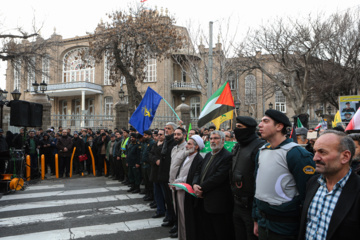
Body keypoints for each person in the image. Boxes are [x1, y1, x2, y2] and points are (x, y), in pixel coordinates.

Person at [252, 109, 316, 240]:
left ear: (279, 126)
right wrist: (256, 218)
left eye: (265, 121)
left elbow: (307, 195)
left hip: (285, 228)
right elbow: (257, 187)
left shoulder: (296, 154)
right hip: (264, 224)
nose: (260, 125)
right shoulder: (262, 151)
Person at [298, 130, 360, 240]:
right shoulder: (313, 183)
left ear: (345, 156)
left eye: (322, 152)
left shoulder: (357, 189)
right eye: (315, 151)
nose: (315, 158)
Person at [193, 130, 235, 240]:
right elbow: (198, 171)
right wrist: (195, 184)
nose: (212, 141)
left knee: (220, 232)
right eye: (211, 138)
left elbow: (218, 177)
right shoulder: (207, 155)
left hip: (217, 203)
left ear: (223, 140)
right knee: (207, 231)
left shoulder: (227, 156)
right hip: (204, 200)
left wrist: (201, 188)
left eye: (216, 138)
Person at [231, 116, 266, 240]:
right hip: (237, 203)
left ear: (249, 129)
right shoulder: (238, 146)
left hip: (250, 206)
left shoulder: (260, 147)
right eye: (236, 127)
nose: (236, 130)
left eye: (240, 127)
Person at [173, 135, 204, 240]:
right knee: (181, 217)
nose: (186, 145)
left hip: (187, 193)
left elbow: (192, 176)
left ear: (196, 147)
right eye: (187, 143)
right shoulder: (187, 156)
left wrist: (177, 182)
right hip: (179, 189)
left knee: (187, 218)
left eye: (189, 144)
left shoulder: (198, 159)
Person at [168, 127, 188, 237]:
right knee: (175, 207)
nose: (176, 136)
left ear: (184, 135)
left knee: (181, 210)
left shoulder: (187, 148)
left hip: (180, 183)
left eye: (178, 134)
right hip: (172, 182)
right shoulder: (174, 148)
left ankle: (181, 230)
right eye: (175, 134)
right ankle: (177, 226)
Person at [158, 122, 178, 228]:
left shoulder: (174, 142)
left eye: (169, 128)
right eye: (166, 128)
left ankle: (174, 220)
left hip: (170, 175)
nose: (166, 130)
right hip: (164, 174)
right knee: (167, 199)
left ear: (174, 131)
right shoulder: (166, 141)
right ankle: (170, 218)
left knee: (172, 200)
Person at [149, 129, 166, 217]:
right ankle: (160, 210)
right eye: (158, 134)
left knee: (164, 193)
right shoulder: (155, 144)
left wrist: (159, 160)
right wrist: (155, 159)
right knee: (157, 193)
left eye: (161, 134)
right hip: (155, 172)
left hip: (162, 173)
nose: (159, 136)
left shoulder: (165, 145)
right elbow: (150, 154)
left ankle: (166, 210)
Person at [141, 130, 155, 201]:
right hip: (144, 164)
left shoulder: (152, 143)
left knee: (150, 182)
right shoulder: (145, 143)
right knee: (146, 181)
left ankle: (151, 195)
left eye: (146, 135)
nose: (144, 136)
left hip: (149, 165)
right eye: (144, 135)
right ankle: (148, 194)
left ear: (149, 136)